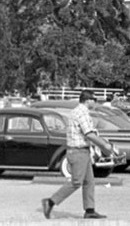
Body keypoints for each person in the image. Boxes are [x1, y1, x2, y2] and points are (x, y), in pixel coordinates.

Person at [41, 90, 116, 220]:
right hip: (78, 151)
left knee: (89, 182)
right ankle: (50, 202)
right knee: (76, 182)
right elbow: (88, 134)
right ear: (88, 100)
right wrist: (105, 145)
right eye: (95, 99)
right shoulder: (82, 113)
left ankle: (90, 210)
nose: (96, 102)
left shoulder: (76, 112)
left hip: (80, 151)